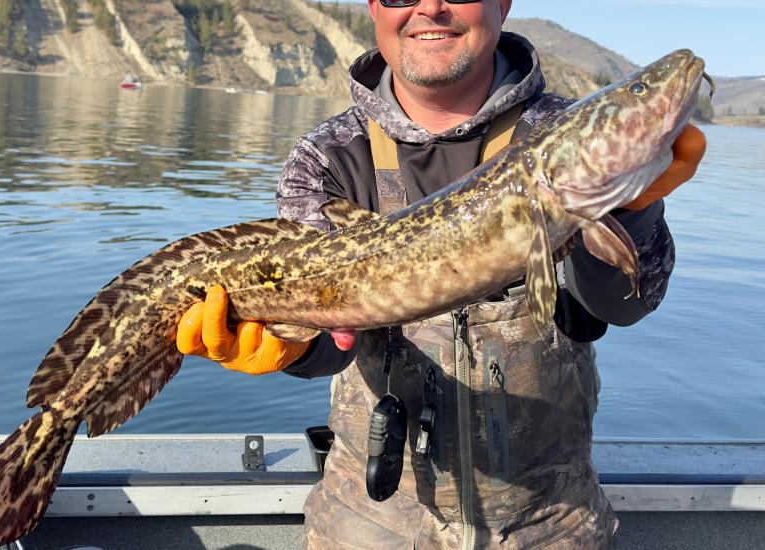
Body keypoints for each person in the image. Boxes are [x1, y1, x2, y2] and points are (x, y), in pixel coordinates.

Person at [176, 0, 706, 547]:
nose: (429, 7)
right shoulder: (329, 157)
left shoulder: (552, 128)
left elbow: (615, 307)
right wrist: (290, 347)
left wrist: (631, 211)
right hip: (371, 523)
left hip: (552, 522)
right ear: (374, 10)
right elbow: (336, 340)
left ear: (501, 5)